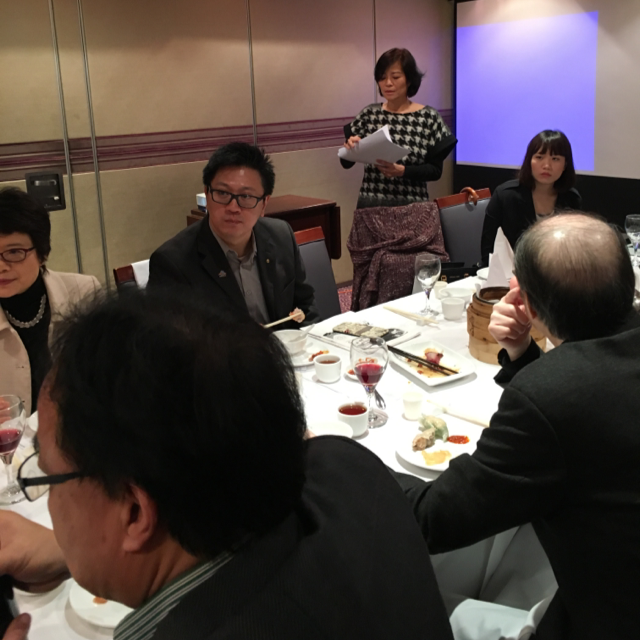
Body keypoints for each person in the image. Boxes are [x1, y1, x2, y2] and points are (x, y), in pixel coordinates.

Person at [0, 291, 454, 640]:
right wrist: (71, 551)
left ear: (135, 512)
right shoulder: (347, 466)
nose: (50, 504)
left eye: (50, 478)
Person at [394, 213, 640, 640]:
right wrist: (523, 353)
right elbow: (592, 410)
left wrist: (354, 462)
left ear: (527, 303)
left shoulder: (548, 398)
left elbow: (434, 521)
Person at [148, 143, 319, 327]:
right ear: (207, 194)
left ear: (264, 204)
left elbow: (306, 307)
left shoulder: (281, 236)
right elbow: (168, 340)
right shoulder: (173, 263)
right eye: (222, 193)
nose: (233, 207)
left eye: (246, 197)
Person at [340, 48, 456, 309]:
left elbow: (435, 171)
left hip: (413, 214)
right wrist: (351, 148)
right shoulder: (369, 115)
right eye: (382, 78)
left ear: (410, 79)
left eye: (395, 77)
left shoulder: (428, 118)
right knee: (369, 277)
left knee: (410, 278)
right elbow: (345, 163)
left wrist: (403, 171)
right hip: (372, 211)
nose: (388, 83)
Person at [0, 188, 100, 414]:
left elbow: (108, 373)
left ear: (42, 253)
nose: (1, 266)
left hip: (74, 425)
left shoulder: (82, 291)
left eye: (14, 252)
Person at [480, 130, 581, 266]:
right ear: (529, 161)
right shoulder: (505, 196)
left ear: (565, 165)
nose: (546, 166)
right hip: (510, 272)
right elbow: (488, 250)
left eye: (555, 159)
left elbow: (573, 250)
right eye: (539, 157)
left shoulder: (571, 199)